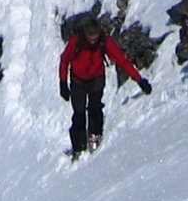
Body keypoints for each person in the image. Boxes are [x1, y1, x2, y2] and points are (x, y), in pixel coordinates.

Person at [58, 15, 150, 154]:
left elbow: (122, 60)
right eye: (90, 38)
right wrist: (63, 83)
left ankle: (95, 137)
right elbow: (65, 60)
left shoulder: (104, 42)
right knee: (79, 113)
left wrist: (140, 80)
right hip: (78, 80)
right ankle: (78, 147)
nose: (93, 41)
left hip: (97, 78)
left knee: (95, 108)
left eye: (95, 38)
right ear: (85, 35)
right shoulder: (76, 42)